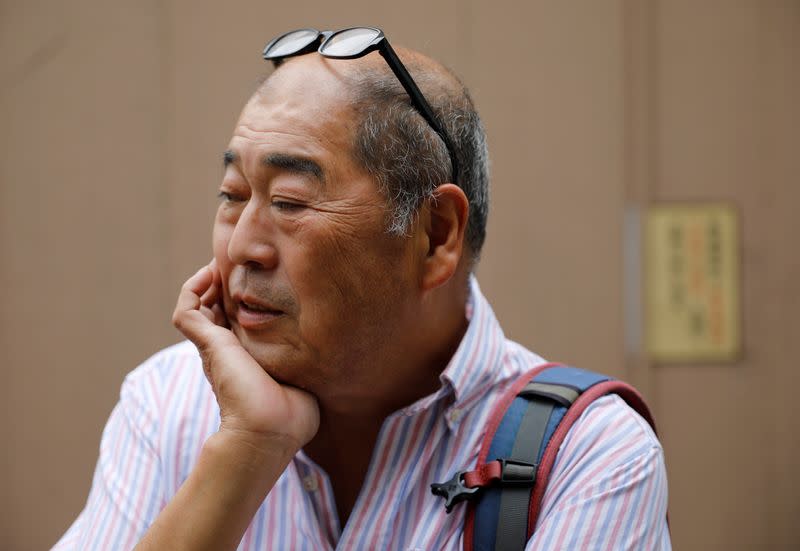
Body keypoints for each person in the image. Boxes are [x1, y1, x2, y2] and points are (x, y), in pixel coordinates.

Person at [53, 27, 670, 550]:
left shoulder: (587, 456)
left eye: (290, 202)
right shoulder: (167, 405)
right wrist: (246, 446)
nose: (242, 246)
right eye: (233, 196)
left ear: (434, 234)